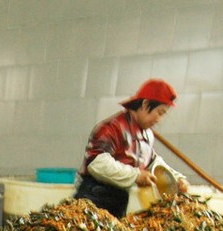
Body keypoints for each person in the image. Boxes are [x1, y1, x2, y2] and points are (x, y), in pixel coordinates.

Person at [74, 79, 190, 218]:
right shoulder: (112, 128)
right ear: (145, 104)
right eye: (159, 112)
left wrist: (176, 180)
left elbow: (153, 164)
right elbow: (97, 163)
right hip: (93, 198)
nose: (159, 120)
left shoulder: (146, 135)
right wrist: (136, 175)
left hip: (118, 201)